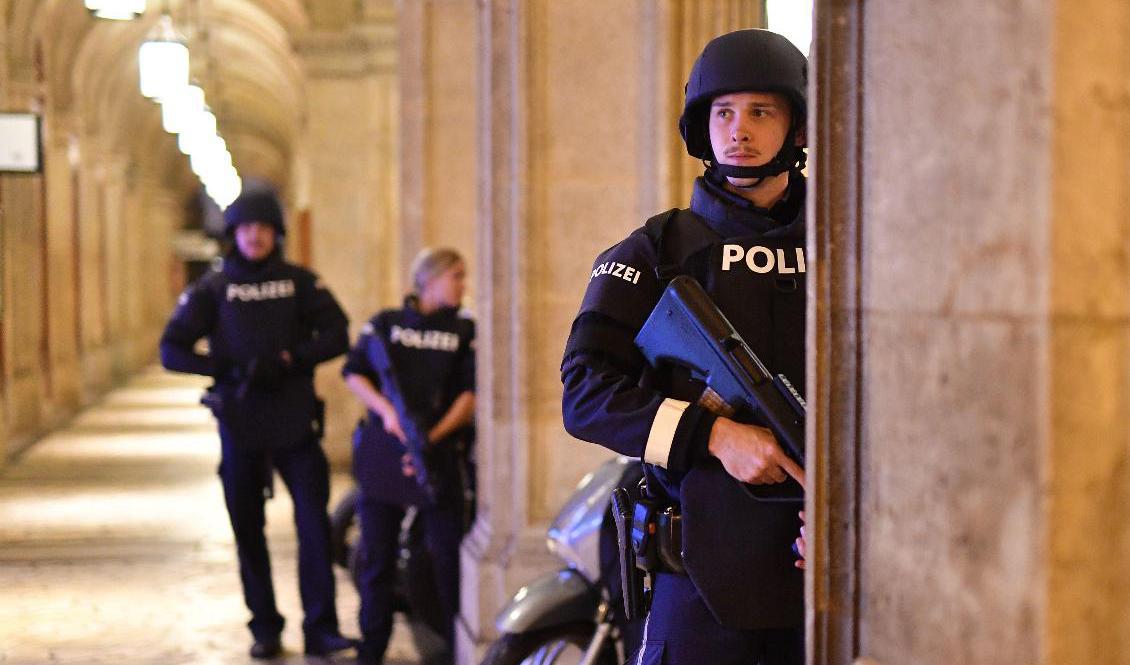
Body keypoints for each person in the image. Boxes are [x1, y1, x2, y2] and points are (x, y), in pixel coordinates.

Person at [560, 29, 809, 665]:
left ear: (798, 127)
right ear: (703, 129)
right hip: (697, 588)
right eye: (723, 112)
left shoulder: (852, 245)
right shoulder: (656, 250)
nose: (739, 130)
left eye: (761, 111)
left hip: (827, 575)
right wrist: (714, 436)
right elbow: (585, 392)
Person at [159, 189, 354, 659]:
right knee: (248, 529)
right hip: (241, 423)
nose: (256, 237)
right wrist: (224, 369)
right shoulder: (213, 289)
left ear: (277, 233)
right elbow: (172, 349)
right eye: (247, 229)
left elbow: (337, 333)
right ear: (233, 235)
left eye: (264, 228)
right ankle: (264, 626)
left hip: (295, 422)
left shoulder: (300, 282)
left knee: (313, 527)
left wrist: (290, 359)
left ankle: (321, 628)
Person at [342, 248, 476, 665]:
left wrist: (431, 437)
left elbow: (469, 396)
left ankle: (459, 649)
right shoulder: (386, 324)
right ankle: (372, 646)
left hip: (437, 457)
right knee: (376, 558)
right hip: (385, 453)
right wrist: (386, 412)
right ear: (430, 279)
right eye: (455, 276)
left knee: (448, 558)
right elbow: (354, 371)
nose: (462, 284)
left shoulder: (463, 330)